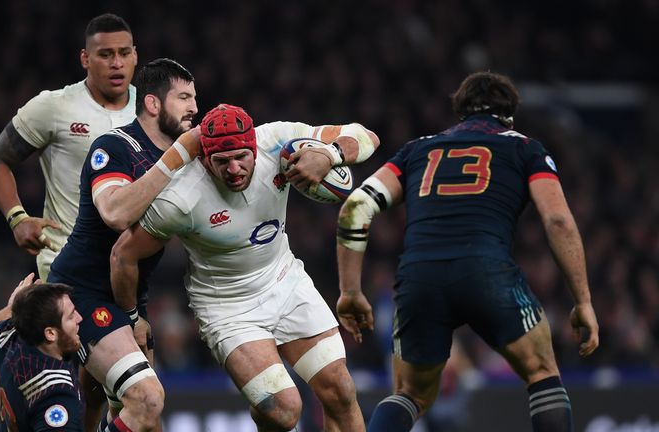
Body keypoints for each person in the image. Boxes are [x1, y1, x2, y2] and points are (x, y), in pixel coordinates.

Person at [334, 71, 599, 432]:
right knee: (541, 372)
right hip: (487, 271)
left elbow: (356, 208)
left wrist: (350, 291)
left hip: (419, 279)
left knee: (410, 393)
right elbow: (558, 221)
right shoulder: (524, 147)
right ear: (509, 115)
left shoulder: (417, 149)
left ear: (460, 112)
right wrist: (582, 301)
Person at [111, 103, 380, 432]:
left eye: (242, 157)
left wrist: (330, 154)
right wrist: (130, 318)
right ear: (204, 159)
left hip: (286, 281)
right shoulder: (180, 198)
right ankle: (265, 413)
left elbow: (367, 136)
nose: (234, 169)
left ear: (254, 146)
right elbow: (123, 255)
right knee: (284, 410)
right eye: (222, 161)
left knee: (340, 390)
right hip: (228, 308)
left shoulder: (277, 140)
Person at [48, 58, 198, 432]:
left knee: (128, 415)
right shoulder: (116, 146)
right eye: (183, 97)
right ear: (152, 104)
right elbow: (114, 212)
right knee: (146, 399)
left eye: (194, 98)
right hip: (82, 294)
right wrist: (173, 159)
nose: (194, 107)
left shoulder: (181, 164)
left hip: (129, 297)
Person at [0, 13, 138, 281]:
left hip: (129, 264)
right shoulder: (54, 106)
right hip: (65, 262)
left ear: (135, 55)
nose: (116, 63)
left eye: (124, 53)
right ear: (85, 59)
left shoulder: (151, 108)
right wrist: (17, 219)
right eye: (105, 55)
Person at [0, 273, 84, 431]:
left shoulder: (9, 335)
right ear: (50, 333)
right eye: (70, 317)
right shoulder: (56, 392)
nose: (80, 318)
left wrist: (10, 309)